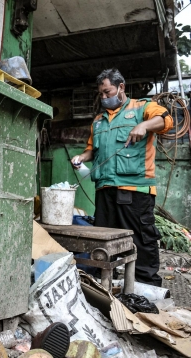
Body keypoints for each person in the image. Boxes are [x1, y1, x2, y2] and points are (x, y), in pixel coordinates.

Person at [71, 69, 174, 287]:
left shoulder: (142, 108)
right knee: (103, 243)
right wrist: (81, 156)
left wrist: (143, 125)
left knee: (140, 241)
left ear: (121, 87)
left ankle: (146, 290)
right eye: (101, 94)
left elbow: (166, 120)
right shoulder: (98, 121)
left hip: (134, 190)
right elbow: (92, 151)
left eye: (108, 92)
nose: (105, 97)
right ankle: (102, 287)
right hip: (104, 190)